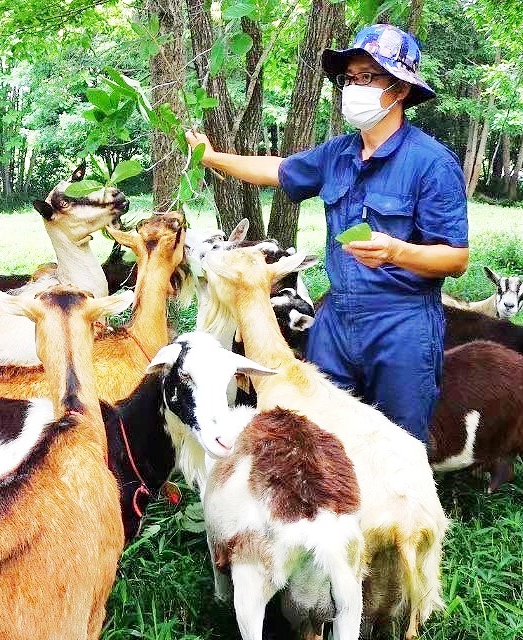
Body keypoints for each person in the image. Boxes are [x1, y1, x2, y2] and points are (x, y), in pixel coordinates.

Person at [185, 23, 469, 445]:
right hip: (335, 321)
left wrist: (396, 252)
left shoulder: (432, 163)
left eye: (368, 77)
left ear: (401, 89)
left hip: (402, 323)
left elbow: (456, 258)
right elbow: (276, 170)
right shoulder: (338, 153)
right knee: (319, 436)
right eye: (348, 79)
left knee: (397, 445)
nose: (353, 88)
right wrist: (212, 158)